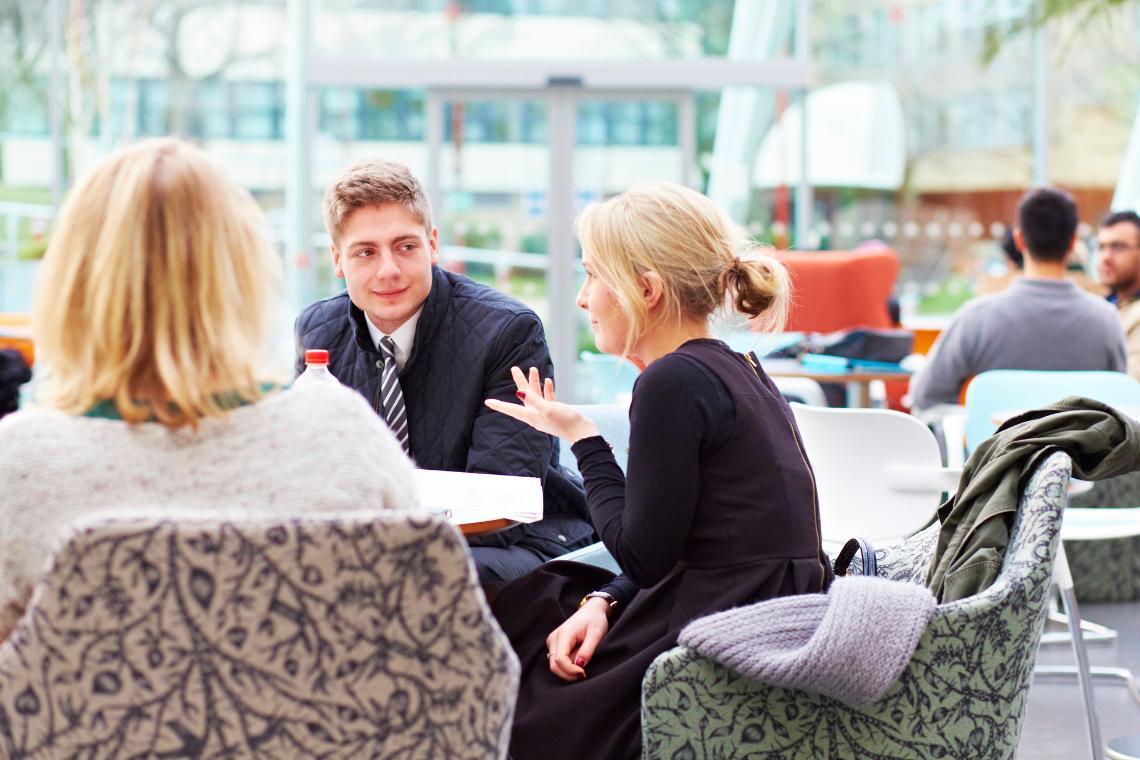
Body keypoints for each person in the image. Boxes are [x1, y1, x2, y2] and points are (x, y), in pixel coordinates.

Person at [0, 139, 418, 643]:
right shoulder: (345, 444)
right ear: (244, 273)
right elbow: (434, 663)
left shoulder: (18, 471)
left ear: (72, 280)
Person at [484, 182, 832, 760]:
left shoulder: (672, 382)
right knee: (542, 602)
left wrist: (583, 438)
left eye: (593, 276)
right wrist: (605, 602)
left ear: (645, 290)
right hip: (751, 603)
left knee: (517, 660)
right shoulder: (739, 368)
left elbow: (641, 553)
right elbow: (673, 542)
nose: (581, 298)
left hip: (716, 625)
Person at [294, 159, 593, 585]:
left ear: (432, 245)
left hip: (508, 544)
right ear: (338, 260)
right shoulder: (317, 332)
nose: (388, 270)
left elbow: (500, 497)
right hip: (371, 546)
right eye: (365, 252)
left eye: (405, 246)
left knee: (424, 575)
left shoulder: (507, 331)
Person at [910, 187, 1126, 413]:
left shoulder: (976, 319)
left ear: (1019, 239)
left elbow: (925, 397)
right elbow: (1122, 406)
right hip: (1081, 449)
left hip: (999, 447)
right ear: (1073, 242)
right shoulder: (1107, 321)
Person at [1096, 210, 1140, 379]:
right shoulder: (1100, 305)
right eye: (1101, 247)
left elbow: (1131, 385)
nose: (1106, 257)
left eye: (1118, 247)